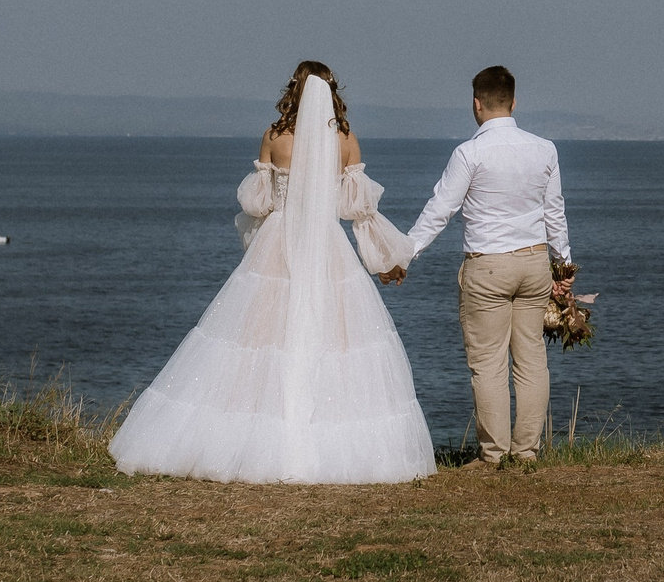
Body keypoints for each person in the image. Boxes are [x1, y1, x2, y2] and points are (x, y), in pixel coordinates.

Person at [107, 62, 433, 483]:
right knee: (333, 338)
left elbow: (258, 205)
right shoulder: (346, 142)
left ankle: (256, 433)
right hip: (327, 244)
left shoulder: (275, 138)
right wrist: (388, 259)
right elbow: (362, 214)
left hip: (279, 243)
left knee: (261, 337)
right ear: (332, 93)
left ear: (294, 91)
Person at [406, 65, 574, 466]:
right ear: (514, 103)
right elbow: (555, 214)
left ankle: (494, 455)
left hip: (488, 268)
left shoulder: (469, 153)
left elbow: (439, 212)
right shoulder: (544, 149)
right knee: (532, 359)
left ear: (476, 105)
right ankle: (527, 452)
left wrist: (403, 256)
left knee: (488, 363)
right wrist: (564, 268)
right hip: (534, 263)